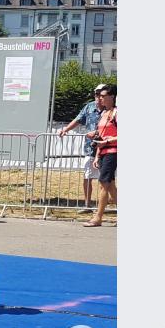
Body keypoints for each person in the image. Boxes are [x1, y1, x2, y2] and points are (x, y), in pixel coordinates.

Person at [58, 84, 106, 212]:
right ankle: (87, 205)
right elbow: (78, 119)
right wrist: (66, 129)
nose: (98, 97)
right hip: (90, 148)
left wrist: (96, 133)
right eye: (97, 94)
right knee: (87, 176)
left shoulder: (111, 110)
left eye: (101, 94)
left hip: (105, 148)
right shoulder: (89, 106)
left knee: (105, 179)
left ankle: (102, 207)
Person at [86, 84, 117, 227]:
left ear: (112, 97)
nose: (100, 98)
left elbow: (108, 137)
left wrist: (108, 141)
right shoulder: (104, 113)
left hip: (112, 151)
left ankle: (98, 217)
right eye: (99, 96)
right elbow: (101, 135)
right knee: (110, 185)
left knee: (104, 184)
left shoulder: (116, 113)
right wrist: (97, 155)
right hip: (103, 152)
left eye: (103, 96)